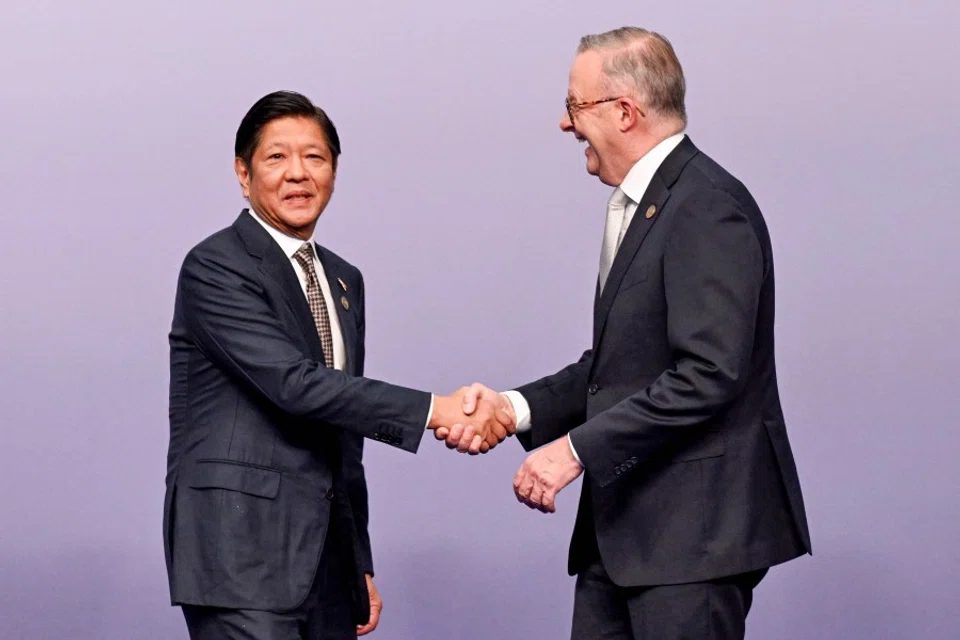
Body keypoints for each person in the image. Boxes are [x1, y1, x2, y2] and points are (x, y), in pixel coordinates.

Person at [450, 27, 811, 639]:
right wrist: (513, 410)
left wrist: (573, 451)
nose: (565, 125)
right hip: (624, 540)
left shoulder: (705, 206)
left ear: (624, 111)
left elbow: (707, 375)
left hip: (691, 544)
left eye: (574, 105)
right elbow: (621, 365)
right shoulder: (644, 204)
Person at [164, 90, 513, 640]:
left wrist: (359, 562)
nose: (298, 174)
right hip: (240, 560)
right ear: (243, 172)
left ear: (334, 170)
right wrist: (434, 410)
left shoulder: (344, 279)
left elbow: (344, 434)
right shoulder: (215, 266)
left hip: (325, 567)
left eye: (315, 157)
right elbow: (295, 385)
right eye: (277, 157)